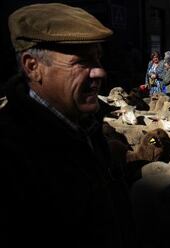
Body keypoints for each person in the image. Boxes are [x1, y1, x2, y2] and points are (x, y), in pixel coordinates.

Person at [1, 3, 136, 247]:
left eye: (98, 59)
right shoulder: (12, 154)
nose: (100, 72)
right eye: (82, 62)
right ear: (33, 67)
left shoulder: (87, 129)